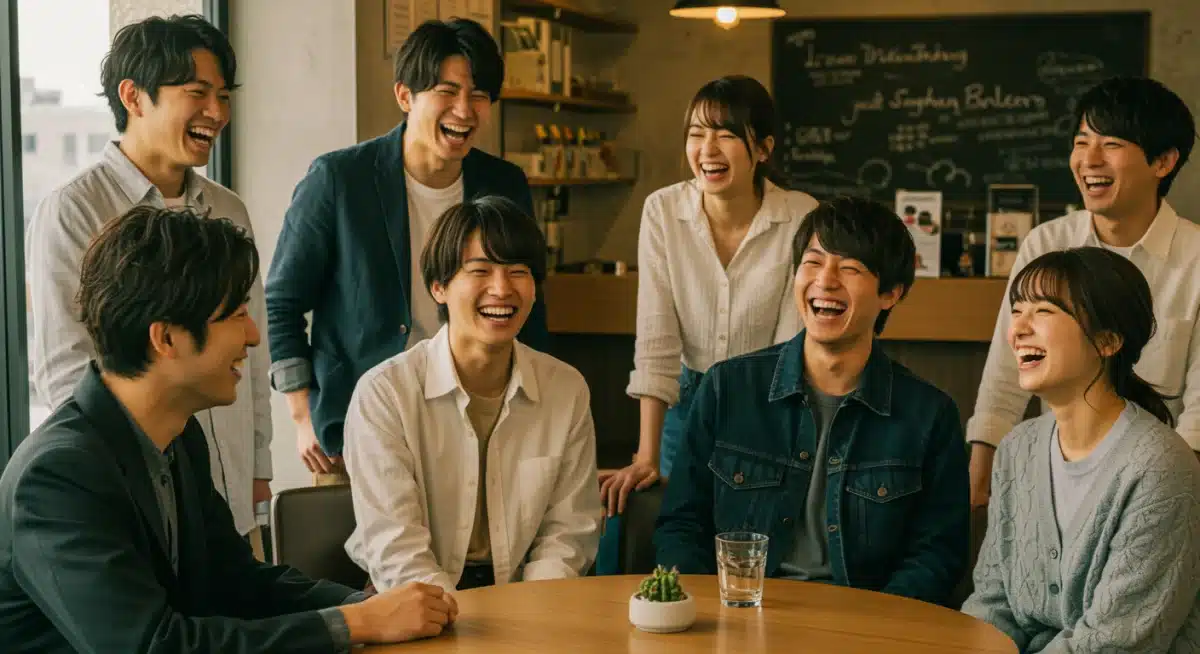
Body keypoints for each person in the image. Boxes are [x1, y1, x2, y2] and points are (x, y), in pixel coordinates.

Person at [0, 206, 458, 653]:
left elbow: (238, 581)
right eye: (237, 314)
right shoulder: (58, 475)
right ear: (166, 338)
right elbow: (150, 644)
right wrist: (356, 623)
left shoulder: (179, 435)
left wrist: (369, 607)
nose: (254, 336)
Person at [24, 14, 273, 548]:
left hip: (231, 499)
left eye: (223, 96)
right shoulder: (74, 210)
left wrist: (259, 466)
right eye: (197, 93)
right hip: (137, 498)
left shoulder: (229, 209)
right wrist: (127, 473)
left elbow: (253, 348)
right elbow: (65, 368)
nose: (217, 113)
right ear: (133, 96)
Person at [265, 17, 547, 486]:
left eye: (479, 95)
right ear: (404, 96)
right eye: (446, 91)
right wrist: (302, 414)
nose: (464, 110)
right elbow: (281, 302)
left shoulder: (504, 184)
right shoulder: (339, 180)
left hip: (480, 423)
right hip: (356, 425)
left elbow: (530, 303)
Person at [655, 196, 970, 607]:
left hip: (866, 622)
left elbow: (937, 556)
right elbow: (680, 526)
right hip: (738, 614)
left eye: (850, 268)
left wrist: (875, 626)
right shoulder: (727, 388)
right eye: (813, 262)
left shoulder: (929, 415)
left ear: (891, 293)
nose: (826, 281)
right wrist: (713, 614)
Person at [343, 196, 601, 594]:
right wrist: (454, 615)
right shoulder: (385, 394)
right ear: (439, 287)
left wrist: (532, 609)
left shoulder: (565, 390)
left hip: (526, 597)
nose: (501, 289)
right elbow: (396, 548)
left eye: (518, 272)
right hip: (411, 598)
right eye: (480, 270)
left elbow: (568, 534)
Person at [968, 75, 1200, 507]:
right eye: (1081, 142)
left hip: (1162, 482)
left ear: (1163, 161)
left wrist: (1168, 496)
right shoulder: (1046, 243)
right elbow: (1006, 370)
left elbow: (1199, 414)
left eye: (1111, 145)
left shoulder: (1196, 258)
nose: (1089, 160)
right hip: (1059, 476)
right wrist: (982, 463)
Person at [601, 75, 818, 525]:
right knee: (675, 531)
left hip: (768, 402)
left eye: (726, 135)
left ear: (763, 149)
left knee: (752, 533)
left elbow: (790, 348)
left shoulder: (800, 214)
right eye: (697, 134)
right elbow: (657, 338)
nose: (707, 149)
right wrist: (646, 455)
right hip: (685, 402)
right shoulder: (663, 211)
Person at [962, 247, 1200, 651]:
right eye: (1017, 310)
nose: (1018, 329)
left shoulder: (1160, 467)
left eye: (1043, 311)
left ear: (1107, 341)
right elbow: (992, 602)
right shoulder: (1017, 449)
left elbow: (1116, 641)